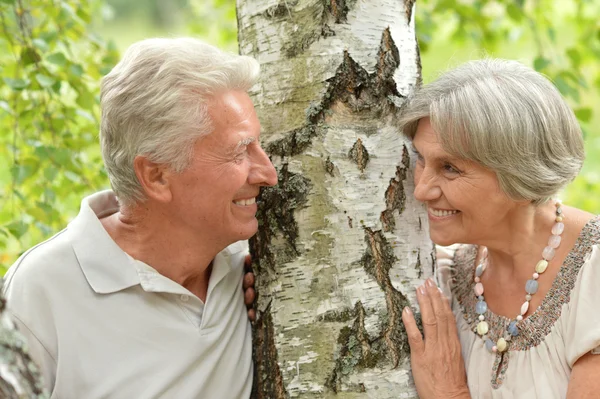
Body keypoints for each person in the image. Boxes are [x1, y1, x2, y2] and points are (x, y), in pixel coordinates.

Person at [2, 37, 277, 398]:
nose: (268, 174)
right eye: (240, 152)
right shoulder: (41, 291)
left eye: (259, 145)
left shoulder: (250, 260)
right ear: (156, 176)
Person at [398, 59, 600, 398]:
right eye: (421, 159)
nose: (421, 191)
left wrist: (451, 393)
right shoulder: (439, 273)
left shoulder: (593, 277)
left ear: (520, 176)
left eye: (449, 168)